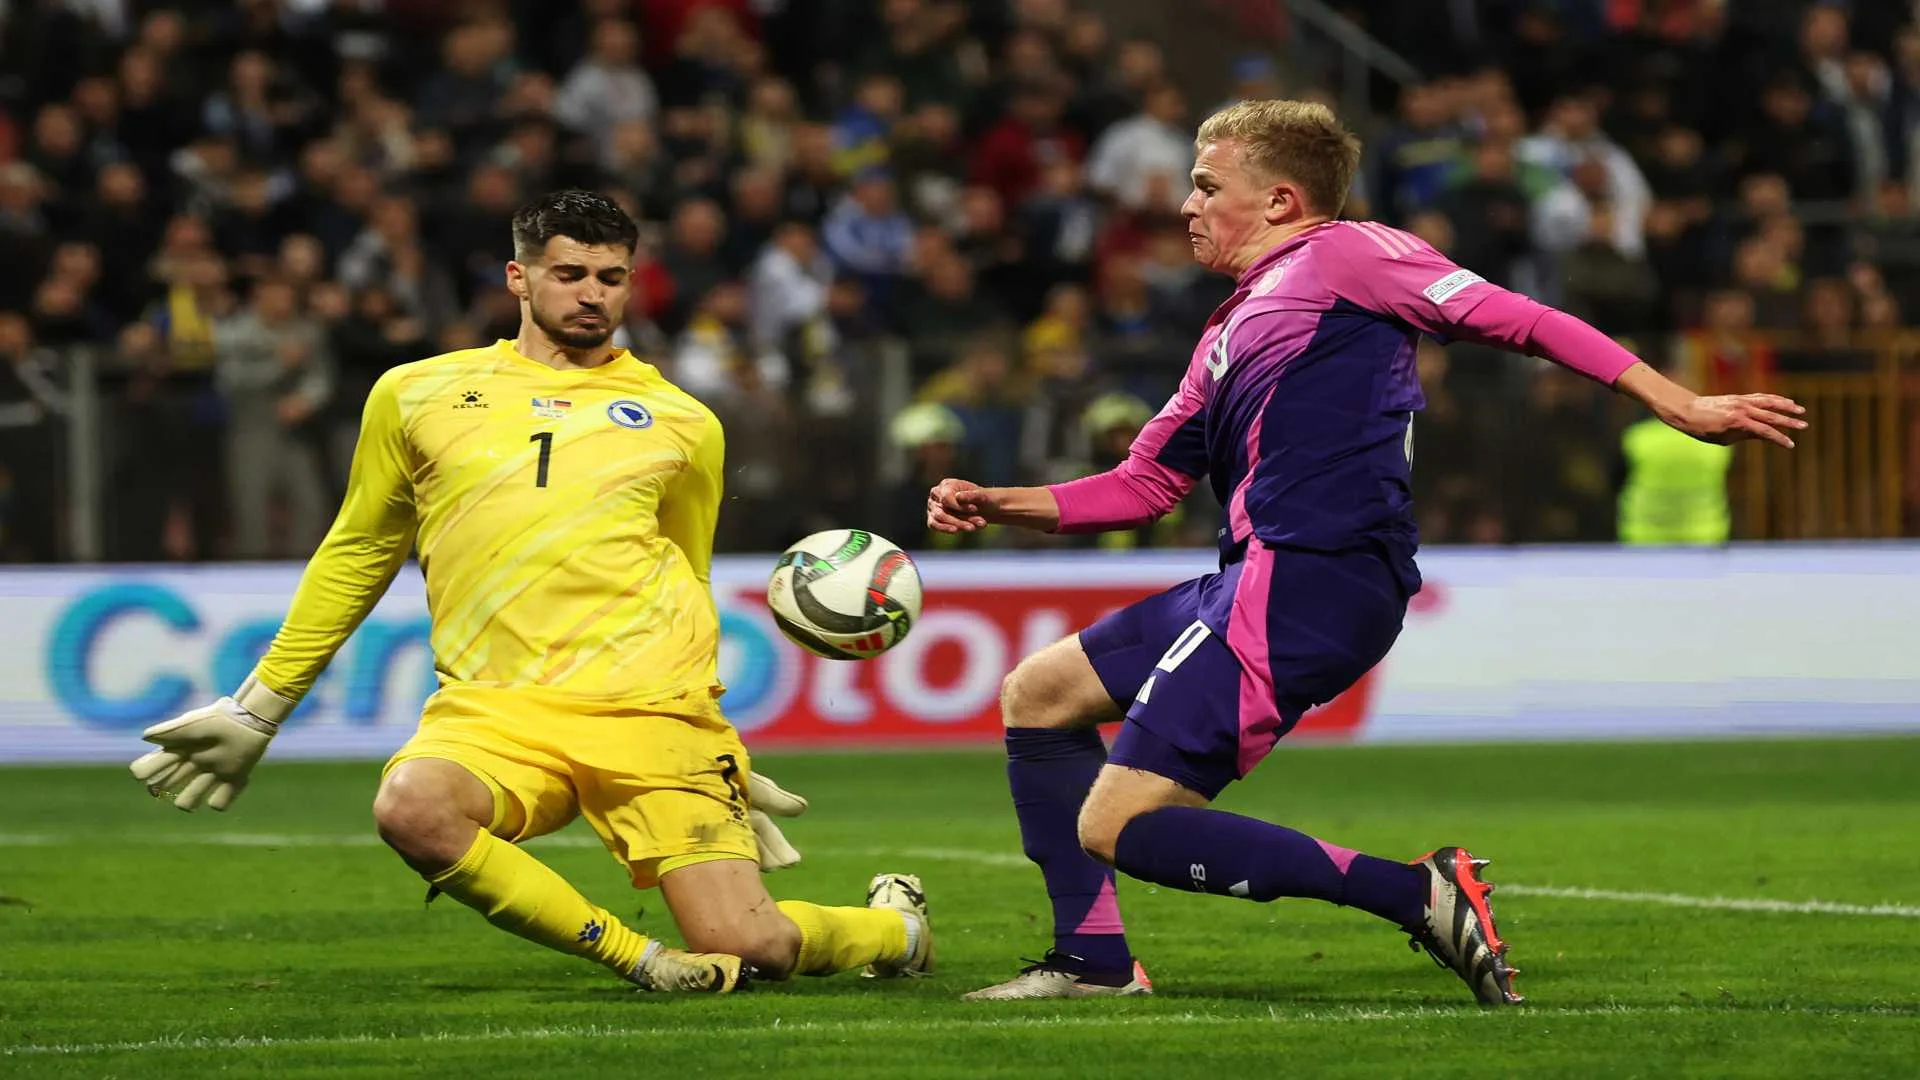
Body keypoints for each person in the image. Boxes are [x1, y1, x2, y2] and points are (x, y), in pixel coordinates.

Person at [928, 100, 1805, 1005]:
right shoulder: (1228, 331)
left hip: (1314, 577)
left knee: (1119, 826)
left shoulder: (1350, 254)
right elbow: (1144, 485)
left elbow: (1521, 319)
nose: (1186, 207)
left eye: (1205, 186)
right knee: (1039, 693)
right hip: (1252, 576)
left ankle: (1414, 892)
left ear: (1277, 200)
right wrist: (1001, 505)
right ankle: (1094, 962)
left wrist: (1675, 399)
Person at [131, 190, 931, 994]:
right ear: (519, 277)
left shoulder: (684, 421)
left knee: (755, 946)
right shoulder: (416, 394)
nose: (592, 293)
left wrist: (713, 742)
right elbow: (358, 552)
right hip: (497, 711)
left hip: (651, 712)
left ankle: (895, 927)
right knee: (412, 806)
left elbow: (687, 575)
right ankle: (645, 961)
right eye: (571, 273)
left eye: (612, 277)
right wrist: (257, 708)